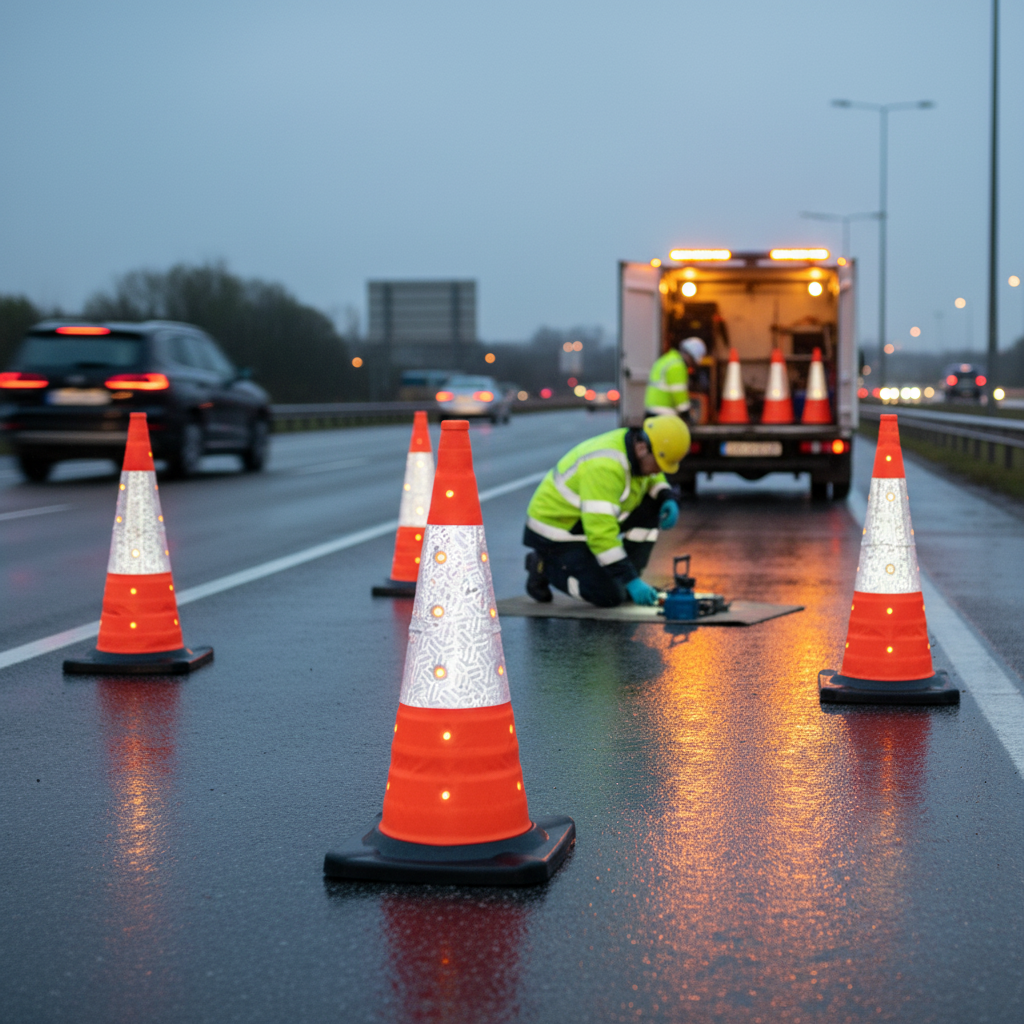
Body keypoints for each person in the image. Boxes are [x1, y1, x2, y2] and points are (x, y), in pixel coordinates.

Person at [523, 415, 690, 608]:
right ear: (643, 448)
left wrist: (666, 496)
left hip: (583, 523)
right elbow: (600, 533)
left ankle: (624, 579)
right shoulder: (605, 467)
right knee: (609, 596)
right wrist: (630, 580)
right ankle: (542, 566)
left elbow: (653, 476)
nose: (658, 471)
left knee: (653, 506)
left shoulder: (636, 448)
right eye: (658, 465)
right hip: (557, 532)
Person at [644, 337, 707, 421]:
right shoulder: (677, 366)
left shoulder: (667, 359)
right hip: (663, 415)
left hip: (652, 412)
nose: (691, 366)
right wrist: (687, 415)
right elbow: (679, 395)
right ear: (690, 356)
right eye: (693, 362)